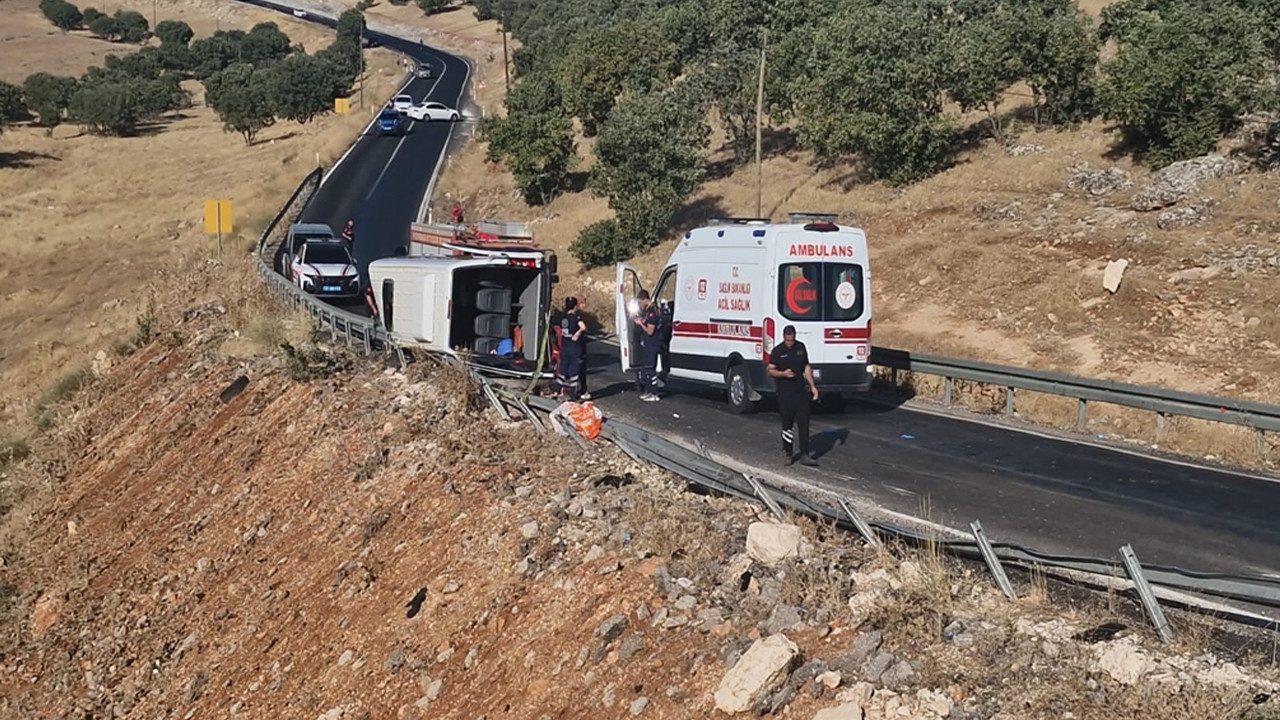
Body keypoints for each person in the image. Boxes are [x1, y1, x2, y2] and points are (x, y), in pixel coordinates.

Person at [768, 325, 820, 466]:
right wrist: (783, 374)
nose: (790, 343)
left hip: (800, 392)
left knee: (804, 423)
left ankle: (805, 454)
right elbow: (770, 370)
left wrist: (813, 387)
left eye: (792, 340)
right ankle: (788, 452)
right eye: (788, 340)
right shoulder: (778, 351)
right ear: (784, 337)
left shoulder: (801, 348)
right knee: (787, 424)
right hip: (785, 394)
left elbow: (806, 367)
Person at [557, 297, 587, 400]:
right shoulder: (576, 317)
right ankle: (572, 393)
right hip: (574, 347)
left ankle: (557, 388)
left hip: (565, 346)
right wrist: (577, 334)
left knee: (563, 369)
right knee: (574, 370)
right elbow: (583, 327)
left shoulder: (563, 318)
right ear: (575, 306)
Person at [634, 290, 661, 401]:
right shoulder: (647, 311)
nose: (640, 304)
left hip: (652, 343)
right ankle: (649, 391)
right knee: (647, 368)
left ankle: (654, 393)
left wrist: (641, 324)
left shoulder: (652, 312)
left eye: (640, 302)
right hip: (648, 343)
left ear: (645, 299)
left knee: (651, 368)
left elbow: (650, 331)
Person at [575, 296, 592, 400]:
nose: (584, 306)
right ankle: (582, 390)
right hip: (579, 346)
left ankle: (581, 389)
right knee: (580, 369)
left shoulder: (577, 315)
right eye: (582, 303)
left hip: (578, 345)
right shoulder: (578, 316)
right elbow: (584, 328)